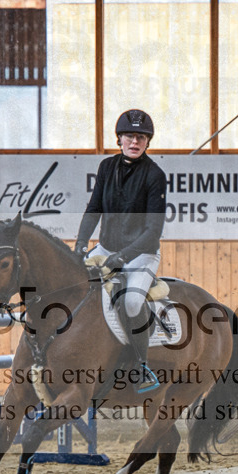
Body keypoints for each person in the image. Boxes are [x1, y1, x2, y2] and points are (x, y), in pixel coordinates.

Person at [73, 109, 167, 393]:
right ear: (120, 139)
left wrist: (123, 256)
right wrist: (80, 243)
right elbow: (94, 209)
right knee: (74, 283)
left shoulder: (155, 176)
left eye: (141, 137)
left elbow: (153, 232)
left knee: (131, 304)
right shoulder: (106, 167)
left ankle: (141, 365)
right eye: (130, 136)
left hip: (141, 254)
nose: (135, 142)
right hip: (105, 248)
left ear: (148, 142)